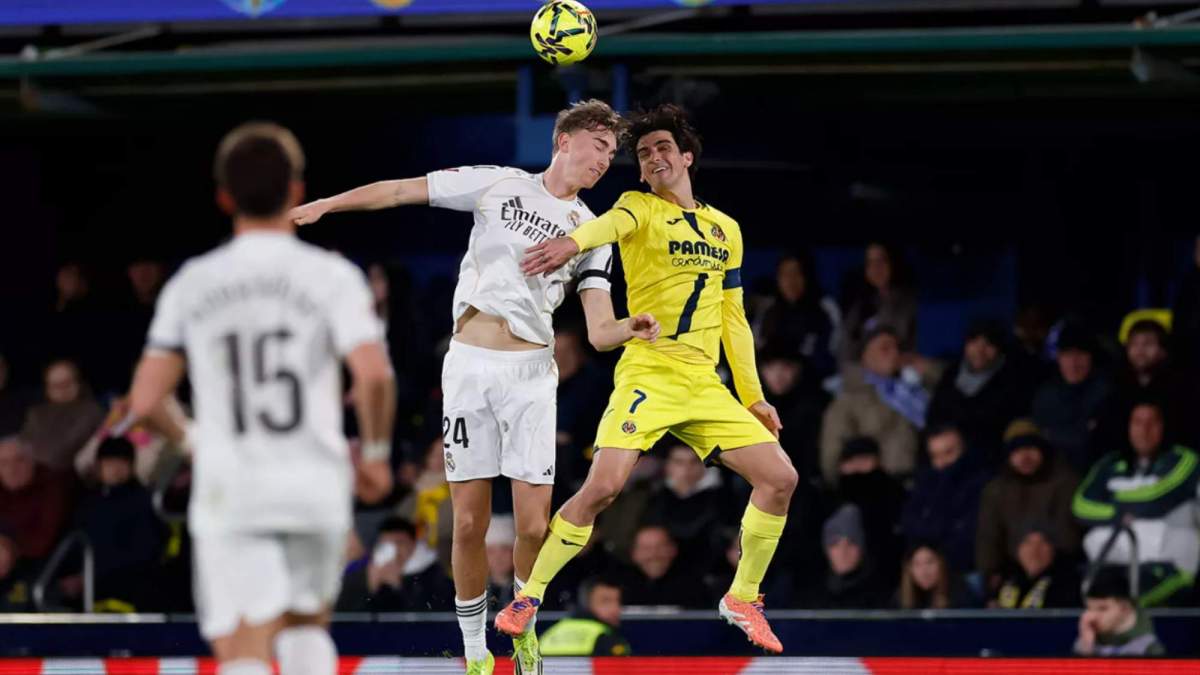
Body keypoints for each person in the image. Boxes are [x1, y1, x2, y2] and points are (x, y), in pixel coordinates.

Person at [291, 100, 656, 675]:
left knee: (534, 525)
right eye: (600, 147)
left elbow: (598, 329)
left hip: (532, 376)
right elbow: (399, 190)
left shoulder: (593, 231)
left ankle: (525, 630)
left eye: (614, 154)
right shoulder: (498, 185)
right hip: (468, 367)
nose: (607, 160)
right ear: (564, 141)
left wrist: (629, 329)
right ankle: (475, 651)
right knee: (467, 523)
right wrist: (329, 204)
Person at [501, 104, 798, 654]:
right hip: (649, 370)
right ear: (639, 171)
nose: (653, 156)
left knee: (780, 478)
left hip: (705, 385)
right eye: (642, 153)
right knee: (605, 487)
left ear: (685, 157)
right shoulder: (636, 206)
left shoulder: (725, 229)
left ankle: (743, 596)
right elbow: (610, 226)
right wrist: (573, 242)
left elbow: (734, 319)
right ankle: (530, 595)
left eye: (663, 147)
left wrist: (753, 398)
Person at [128, 122, 396, 675]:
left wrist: (196, 439)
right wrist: (373, 456)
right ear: (296, 191)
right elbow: (373, 376)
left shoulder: (193, 283)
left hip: (233, 484)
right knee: (305, 629)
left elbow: (147, 399)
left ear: (223, 196)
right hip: (313, 479)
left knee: (243, 647)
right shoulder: (333, 276)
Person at [1073, 400, 1199, 607]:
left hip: (1171, 568)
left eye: (1152, 423)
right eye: (1138, 423)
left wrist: (1117, 507)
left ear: (1164, 426)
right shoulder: (1109, 464)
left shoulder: (1184, 460)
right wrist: (1120, 515)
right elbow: (1081, 506)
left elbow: (1154, 501)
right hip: (1117, 563)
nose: (1144, 430)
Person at [820, 325, 939, 485]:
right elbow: (833, 452)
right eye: (885, 348)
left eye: (898, 349)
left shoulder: (914, 390)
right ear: (865, 356)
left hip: (920, 482)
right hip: (875, 487)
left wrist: (927, 370)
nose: (894, 354)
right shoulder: (849, 398)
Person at [976, 419, 1081, 592]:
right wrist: (990, 575)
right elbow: (988, 537)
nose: (1024, 456)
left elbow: (1069, 536)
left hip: (1059, 571)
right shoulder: (996, 490)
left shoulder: (1066, 482)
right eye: (1017, 450)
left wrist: (1039, 550)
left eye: (1031, 448)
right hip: (1011, 572)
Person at [71, 436, 165, 612]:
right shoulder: (88, 503)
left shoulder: (144, 502)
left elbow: (145, 551)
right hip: (88, 593)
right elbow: (76, 546)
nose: (116, 469)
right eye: (109, 463)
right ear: (99, 467)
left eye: (122, 463)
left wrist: (95, 576)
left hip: (132, 593)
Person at [926, 319, 1038, 461]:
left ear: (999, 348)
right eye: (974, 342)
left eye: (988, 344)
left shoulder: (1012, 380)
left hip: (988, 461)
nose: (980, 350)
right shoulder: (952, 373)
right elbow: (934, 415)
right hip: (945, 457)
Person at [899, 424, 991, 574]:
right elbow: (910, 524)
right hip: (929, 572)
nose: (942, 462)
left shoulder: (981, 485)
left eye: (949, 452)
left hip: (967, 571)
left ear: (963, 449)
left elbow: (971, 534)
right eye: (935, 456)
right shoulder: (924, 485)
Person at [1032, 322, 1114, 475]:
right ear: (1058, 358)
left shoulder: (1107, 392)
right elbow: (1039, 440)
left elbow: (1097, 443)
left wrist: (1055, 435)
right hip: (1051, 475)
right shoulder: (1045, 395)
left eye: (1081, 354)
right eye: (1067, 354)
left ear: (1091, 357)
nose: (1074, 363)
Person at [752, 250, 840, 382]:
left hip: (813, 382)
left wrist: (796, 368)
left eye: (796, 273)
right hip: (771, 383)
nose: (790, 280)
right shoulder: (769, 309)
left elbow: (833, 352)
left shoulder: (825, 308)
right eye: (785, 274)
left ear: (807, 276)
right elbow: (756, 347)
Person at [336, 517, 454, 612]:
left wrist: (398, 587)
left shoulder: (435, 574)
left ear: (413, 544)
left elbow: (436, 617)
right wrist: (369, 586)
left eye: (400, 542)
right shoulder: (362, 573)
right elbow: (342, 615)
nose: (395, 549)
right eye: (387, 544)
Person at [834, 437, 907, 583]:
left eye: (864, 460)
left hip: (884, 570)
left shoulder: (892, 493)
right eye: (852, 461)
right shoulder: (831, 497)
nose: (857, 466)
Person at [837, 242, 918, 365]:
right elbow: (847, 345)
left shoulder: (907, 301)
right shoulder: (860, 303)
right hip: (862, 370)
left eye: (881, 261)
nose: (876, 268)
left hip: (897, 368)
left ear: (892, 263)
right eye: (870, 263)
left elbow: (897, 341)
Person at [20, 359, 105, 472]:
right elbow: (25, 447)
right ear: (47, 389)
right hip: (39, 475)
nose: (63, 389)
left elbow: (67, 449)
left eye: (68, 382)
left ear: (79, 383)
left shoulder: (93, 410)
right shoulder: (36, 414)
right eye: (56, 385)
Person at [801, 504, 890, 609]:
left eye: (852, 542)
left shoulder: (882, 599)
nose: (843, 552)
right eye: (835, 543)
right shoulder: (808, 598)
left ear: (863, 549)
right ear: (825, 548)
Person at [0, 435, 72, 563]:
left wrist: (9, 544)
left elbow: (41, 544)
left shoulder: (51, 486)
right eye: (4, 463)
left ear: (32, 461)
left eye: (19, 460)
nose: (12, 469)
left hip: (36, 565)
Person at [1074, 567, 1165, 657]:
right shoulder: (1085, 640)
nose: (1092, 616)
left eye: (1102, 609)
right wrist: (1086, 648)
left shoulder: (1149, 649)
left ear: (1125, 608)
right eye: (1089, 609)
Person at [612, 524, 705, 608]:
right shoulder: (616, 587)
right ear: (633, 554)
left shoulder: (695, 587)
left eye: (661, 547)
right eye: (646, 549)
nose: (654, 555)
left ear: (673, 550)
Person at [992, 523, 1080, 610]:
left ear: (1053, 550)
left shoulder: (1067, 582)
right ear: (1018, 550)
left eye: (1042, 542)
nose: (1034, 550)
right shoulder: (1005, 577)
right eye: (1028, 542)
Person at [539, 576, 631, 657]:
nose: (615, 608)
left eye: (618, 601)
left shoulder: (550, 634)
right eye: (605, 601)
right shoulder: (605, 638)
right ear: (586, 604)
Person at [895, 543, 972, 610]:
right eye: (917, 564)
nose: (924, 572)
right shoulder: (901, 596)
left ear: (941, 564)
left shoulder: (959, 591)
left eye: (930, 562)